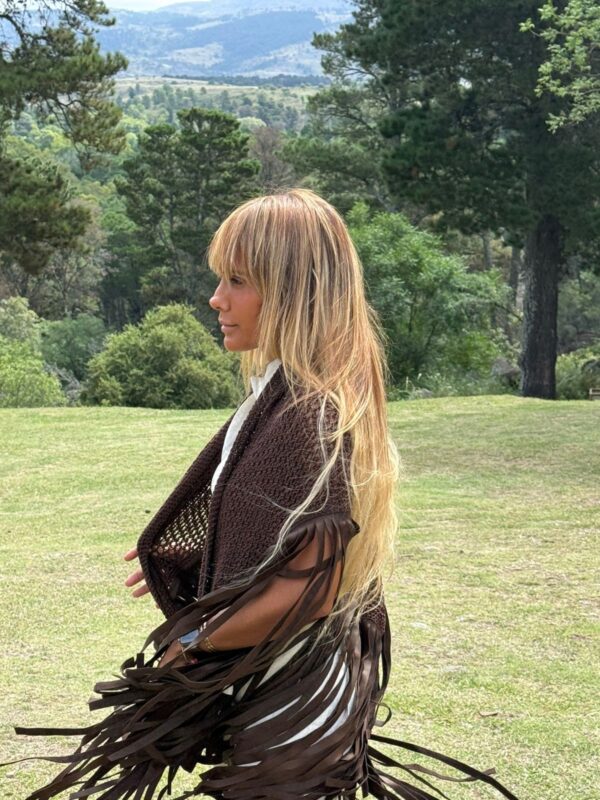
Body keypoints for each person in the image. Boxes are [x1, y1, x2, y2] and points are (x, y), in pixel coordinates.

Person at [3, 188, 521, 800]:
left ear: (294, 291)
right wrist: (214, 556)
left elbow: (312, 587)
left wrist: (196, 641)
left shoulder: (309, 412)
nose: (216, 298)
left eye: (238, 280)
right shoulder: (284, 396)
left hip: (297, 702)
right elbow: (279, 529)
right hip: (283, 689)